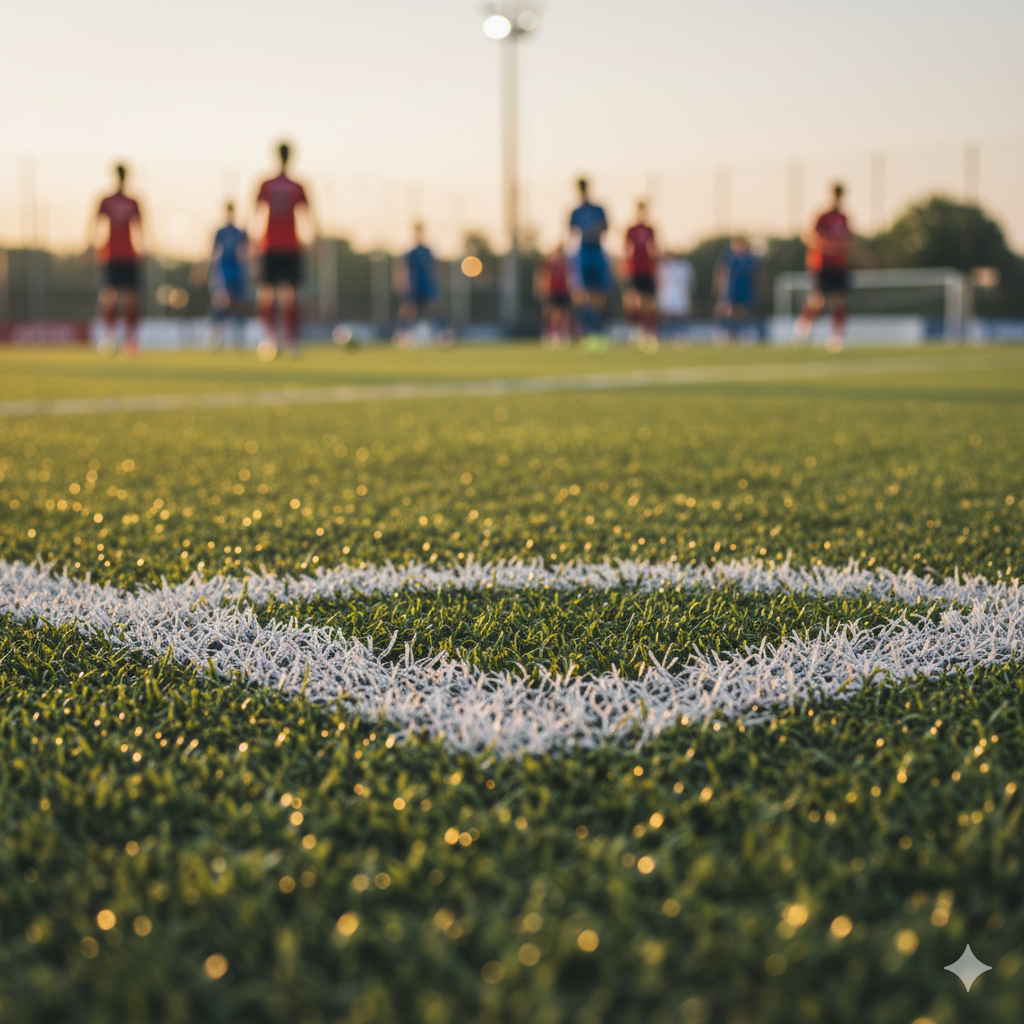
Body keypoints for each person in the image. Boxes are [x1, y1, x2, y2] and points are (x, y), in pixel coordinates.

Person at [253, 142, 313, 358]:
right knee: (292, 296)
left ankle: (271, 339)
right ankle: (291, 341)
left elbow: (257, 214)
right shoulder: (297, 185)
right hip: (291, 246)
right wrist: (315, 241)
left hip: (270, 245)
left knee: (267, 294)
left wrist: (252, 241)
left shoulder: (266, 184)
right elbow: (307, 217)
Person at [794, 183, 854, 351]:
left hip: (839, 265)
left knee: (840, 301)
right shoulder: (822, 216)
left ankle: (836, 337)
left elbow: (849, 239)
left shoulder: (844, 218)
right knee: (817, 301)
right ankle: (802, 329)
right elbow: (809, 236)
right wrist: (826, 246)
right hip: (821, 265)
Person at [93, 163, 143, 355]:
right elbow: (97, 225)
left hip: (129, 255)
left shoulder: (133, 202)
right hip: (111, 255)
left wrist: (143, 248)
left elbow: (139, 228)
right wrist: (91, 247)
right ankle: (109, 337)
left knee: (130, 299)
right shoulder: (106, 201)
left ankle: (131, 339)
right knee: (109, 297)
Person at [568, 178, 611, 338]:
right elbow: (572, 231)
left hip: (596, 251)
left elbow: (604, 227)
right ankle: (587, 328)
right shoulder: (575, 211)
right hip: (582, 253)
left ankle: (600, 327)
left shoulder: (598, 209)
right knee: (581, 292)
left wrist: (591, 231)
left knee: (600, 292)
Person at [208, 202, 249, 349]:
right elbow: (213, 251)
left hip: (238, 270)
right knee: (221, 301)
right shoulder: (220, 232)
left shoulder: (240, 232)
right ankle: (216, 336)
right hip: (223, 269)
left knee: (238, 303)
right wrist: (203, 269)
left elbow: (246, 251)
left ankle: (238, 338)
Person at [394, 222, 439, 344]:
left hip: (426, 283)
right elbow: (402, 268)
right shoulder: (411, 252)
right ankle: (402, 332)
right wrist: (401, 282)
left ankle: (436, 332)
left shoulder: (428, 251)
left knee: (432, 306)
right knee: (409, 308)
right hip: (413, 284)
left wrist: (435, 283)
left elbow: (434, 267)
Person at [623, 200, 658, 340]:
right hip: (634, 270)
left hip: (647, 270)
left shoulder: (650, 229)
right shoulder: (631, 229)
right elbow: (626, 249)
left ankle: (648, 331)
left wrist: (655, 263)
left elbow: (654, 248)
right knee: (633, 300)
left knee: (648, 302)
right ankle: (634, 330)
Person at [713, 236, 760, 339]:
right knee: (729, 311)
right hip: (732, 288)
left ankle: (741, 333)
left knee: (743, 311)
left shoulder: (751, 258)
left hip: (745, 288)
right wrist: (720, 289)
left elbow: (755, 275)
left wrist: (756, 288)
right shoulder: (729, 257)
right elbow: (723, 273)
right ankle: (729, 333)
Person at [533, 243, 573, 345]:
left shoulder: (566, 262)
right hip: (552, 290)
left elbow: (570, 276)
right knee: (552, 313)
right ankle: (550, 334)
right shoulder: (549, 262)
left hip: (563, 291)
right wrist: (540, 288)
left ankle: (563, 333)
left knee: (564, 314)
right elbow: (542, 275)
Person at [656, 252, 695, 334]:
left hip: (681, 295)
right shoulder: (664, 267)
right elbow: (660, 282)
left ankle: (682, 334)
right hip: (667, 295)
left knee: (681, 315)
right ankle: (667, 334)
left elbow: (689, 282)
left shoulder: (685, 266)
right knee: (667, 316)